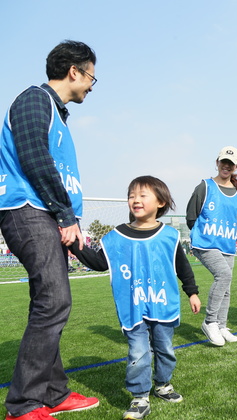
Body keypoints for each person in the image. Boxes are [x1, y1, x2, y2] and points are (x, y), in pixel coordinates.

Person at [0, 40, 100, 420]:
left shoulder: (58, 114)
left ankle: (55, 392)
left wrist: (72, 223)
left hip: (48, 213)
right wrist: (63, 215)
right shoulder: (33, 100)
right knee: (54, 301)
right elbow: (34, 157)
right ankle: (24, 404)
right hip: (28, 210)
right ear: (74, 71)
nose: (92, 84)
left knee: (50, 301)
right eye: (91, 75)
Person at [70, 176, 201, 420]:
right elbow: (99, 263)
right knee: (138, 351)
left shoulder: (170, 235)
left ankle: (163, 385)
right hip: (133, 306)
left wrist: (192, 292)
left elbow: (182, 266)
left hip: (163, 304)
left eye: (143, 195)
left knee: (165, 349)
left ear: (161, 202)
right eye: (132, 196)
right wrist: (74, 245)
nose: (136, 200)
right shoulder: (117, 236)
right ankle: (140, 397)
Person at [187, 146, 237, 346]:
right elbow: (191, 215)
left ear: (236, 166)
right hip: (205, 243)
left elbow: (234, 218)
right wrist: (199, 237)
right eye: (223, 162)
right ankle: (210, 321)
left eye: (231, 164)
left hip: (226, 244)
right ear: (217, 162)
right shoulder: (205, 186)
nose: (226, 166)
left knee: (226, 286)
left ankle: (221, 325)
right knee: (224, 275)